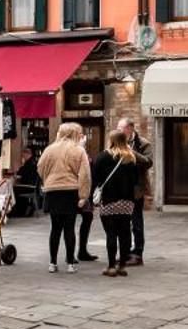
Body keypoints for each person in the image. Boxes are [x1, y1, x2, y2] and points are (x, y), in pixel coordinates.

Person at [36, 123, 92, 273]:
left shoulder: (49, 149)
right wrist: (83, 196)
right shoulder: (78, 150)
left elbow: (40, 167)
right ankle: (70, 263)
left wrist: (48, 180)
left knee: (55, 228)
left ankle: (53, 263)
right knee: (69, 227)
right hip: (70, 191)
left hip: (53, 191)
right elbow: (85, 175)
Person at [93, 129, 147, 276]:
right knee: (124, 233)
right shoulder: (131, 158)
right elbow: (136, 180)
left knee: (111, 233)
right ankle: (122, 266)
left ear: (111, 140)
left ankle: (111, 266)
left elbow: (96, 178)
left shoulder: (102, 157)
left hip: (109, 200)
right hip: (127, 201)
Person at [119, 117, 153, 266]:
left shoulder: (143, 143)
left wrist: (131, 152)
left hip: (136, 188)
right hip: (120, 189)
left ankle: (138, 254)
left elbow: (148, 162)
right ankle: (125, 252)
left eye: (121, 128)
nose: (119, 131)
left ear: (130, 128)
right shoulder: (116, 142)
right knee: (123, 222)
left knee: (136, 222)